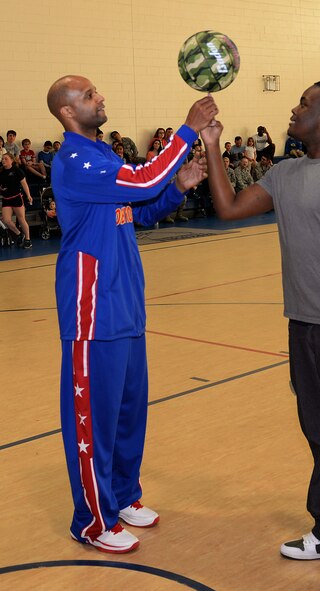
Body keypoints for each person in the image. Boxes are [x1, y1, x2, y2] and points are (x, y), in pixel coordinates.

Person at [202, 80, 320, 591]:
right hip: (302, 325)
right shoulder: (285, 172)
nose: (295, 108)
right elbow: (229, 208)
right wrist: (213, 146)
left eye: (305, 103)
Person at [46, 74, 218, 555]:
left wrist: (178, 187)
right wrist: (186, 131)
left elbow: (134, 211)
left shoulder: (102, 155)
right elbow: (142, 179)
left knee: (126, 415)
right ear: (66, 112)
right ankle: (92, 521)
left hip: (125, 305)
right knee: (93, 421)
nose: (100, 98)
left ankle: (121, 497)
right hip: (92, 310)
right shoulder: (74, 159)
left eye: (97, 91)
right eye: (88, 96)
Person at [0, 153, 33, 248]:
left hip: (16, 198)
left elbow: (24, 183)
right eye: (2, 159)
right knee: (6, 220)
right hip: (6, 199)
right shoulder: (1, 172)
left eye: (5, 159)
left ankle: (28, 239)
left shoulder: (17, 170)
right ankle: (19, 234)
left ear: (11, 160)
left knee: (21, 219)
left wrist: (28, 195)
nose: (3, 160)